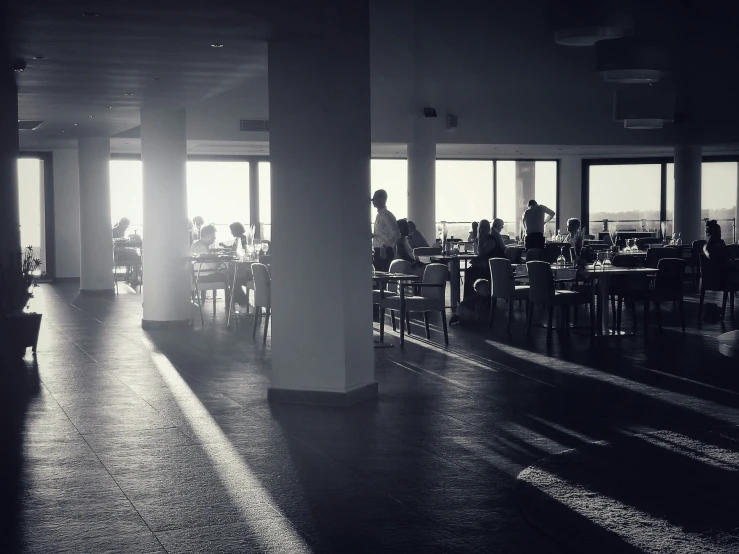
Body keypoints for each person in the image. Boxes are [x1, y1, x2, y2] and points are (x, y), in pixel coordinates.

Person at [463, 219, 506, 299]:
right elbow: (478, 253)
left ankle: (470, 299)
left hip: (495, 269)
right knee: (469, 271)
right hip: (490, 266)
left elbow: (481, 253)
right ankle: (471, 299)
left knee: (469, 272)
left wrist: (480, 239)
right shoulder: (487, 240)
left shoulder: (491, 240)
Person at [191, 224, 230, 307]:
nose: (215, 238)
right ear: (208, 236)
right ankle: (231, 305)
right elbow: (212, 267)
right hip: (203, 277)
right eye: (213, 236)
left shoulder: (198, 244)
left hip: (198, 275)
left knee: (227, 274)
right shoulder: (202, 246)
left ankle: (238, 301)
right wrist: (220, 259)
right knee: (229, 276)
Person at [372, 189, 401, 272]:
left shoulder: (387, 215)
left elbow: (396, 234)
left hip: (385, 251)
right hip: (379, 250)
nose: (373, 201)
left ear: (381, 199)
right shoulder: (379, 215)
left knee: (383, 277)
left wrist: (384, 246)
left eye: (374, 198)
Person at [703, 220, 739, 286]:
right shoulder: (709, 246)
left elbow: (728, 254)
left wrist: (731, 257)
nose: (720, 234)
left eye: (720, 232)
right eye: (718, 232)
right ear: (712, 233)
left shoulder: (720, 243)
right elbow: (714, 259)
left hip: (723, 271)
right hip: (719, 275)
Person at [112, 217, 141, 286]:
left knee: (133, 253)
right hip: (117, 253)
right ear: (122, 224)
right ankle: (134, 279)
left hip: (117, 252)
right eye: (126, 225)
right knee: (136, 256)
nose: (127, 228)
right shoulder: (115, 231)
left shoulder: (116, 230)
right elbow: (116, 244)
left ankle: (128, 275)